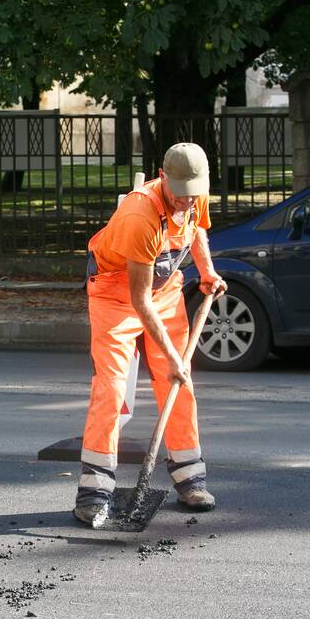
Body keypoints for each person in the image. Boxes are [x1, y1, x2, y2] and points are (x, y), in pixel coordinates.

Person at [75, 142, 227, 527]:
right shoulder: (139, 214)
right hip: (116, 292)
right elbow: (138, 299)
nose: (186, 203)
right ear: (163, 178)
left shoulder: (194, 194)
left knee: (180, 384)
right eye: (179, 194)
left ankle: (190, 477)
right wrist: (174, 359)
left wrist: (206, 272)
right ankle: (94, 491)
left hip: (166, 290)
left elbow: (197, 231)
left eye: (193, 195)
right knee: (110, 386)